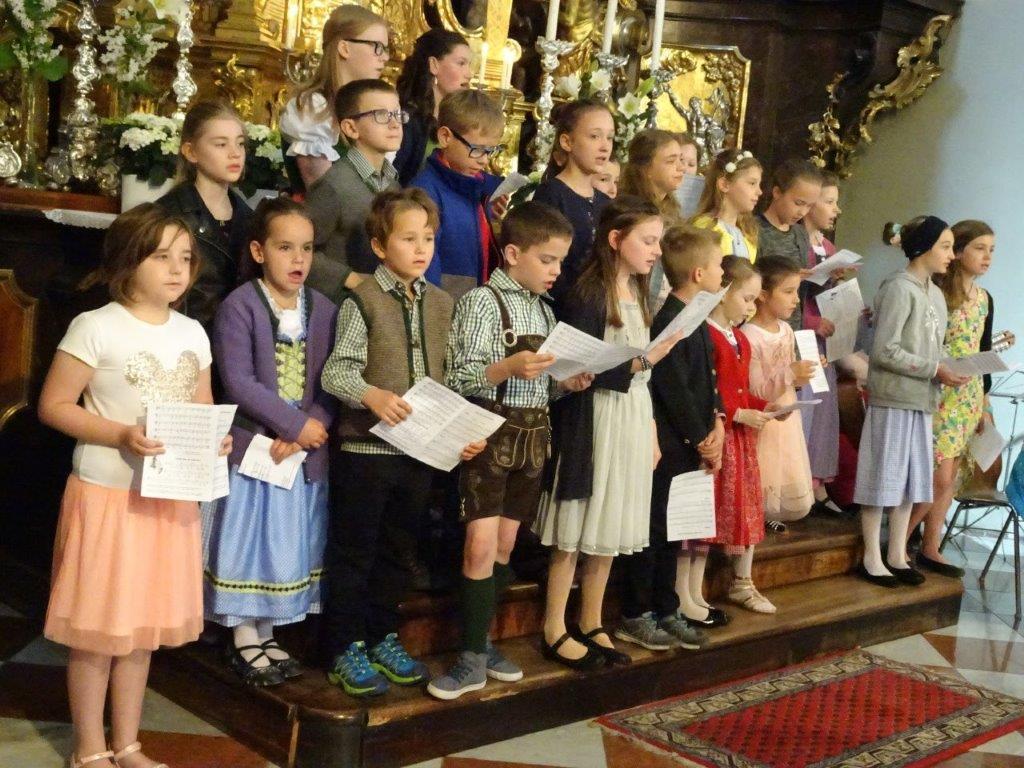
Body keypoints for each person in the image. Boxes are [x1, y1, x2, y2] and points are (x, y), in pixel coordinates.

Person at [38, 204, 231, 768]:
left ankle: (127, 744)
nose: (176, 269)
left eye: (185, 258)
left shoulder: (193, 332)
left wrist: (212, 440)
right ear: (128, 260)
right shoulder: (96, 326)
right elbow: (54, 405)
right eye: (161, 257)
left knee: (140, 630)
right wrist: (121, 434)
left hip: (165, 501)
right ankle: (88, 748)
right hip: (107, 497)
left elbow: (201, 408)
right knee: (98, 632)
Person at [319, 188, 483, 697]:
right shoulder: (363, 300)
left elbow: (450, 378)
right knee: (355, 553)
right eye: (408, 239)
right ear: (378, 245)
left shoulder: (442, 304)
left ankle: (382, 636)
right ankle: (344, 646)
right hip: (366, 453)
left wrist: (459, 434)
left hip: (419, 452)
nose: (421, 248)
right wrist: (370, 394)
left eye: (427, 238)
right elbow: (336, 371)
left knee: (398, 551)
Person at [429, 201, 593, 699]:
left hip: (534, 436)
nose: (555, 270)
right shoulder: (482, 302)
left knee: (504, 548)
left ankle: (482, 643)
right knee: (479, 547)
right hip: (490, 436)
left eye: (560, 261)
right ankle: (469, 658)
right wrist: (507, 367)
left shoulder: (544, 309)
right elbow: (458, 377)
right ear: (513, 253)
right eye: (547, 259)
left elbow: (540, 386)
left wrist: (567, 384)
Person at [534, 196, 696, 666]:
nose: (656, 251)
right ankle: (554, 625)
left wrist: (651, 430)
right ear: (615, 239)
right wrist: (647, 359)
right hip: (594, 416)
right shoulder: (589, 293)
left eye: (658, 241)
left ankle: (591, 621)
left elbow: (640, 375)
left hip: (631, 414)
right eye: (648, 241)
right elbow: (579, 369)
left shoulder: (639, 292)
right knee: (577, 524)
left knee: (610, 521)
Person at [204, 197, 337, 687]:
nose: (298, 259)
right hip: (255, 451)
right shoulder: (240, 305)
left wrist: (310, 428)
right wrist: (291, 424)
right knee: (252, 542)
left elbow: (331, 380)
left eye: (307, 248)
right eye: (285, 248)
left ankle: (268, 631)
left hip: (301, 455)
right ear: (259, 251)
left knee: (286, 543)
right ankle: (244, 633)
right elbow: (238, 381)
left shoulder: (324, 309)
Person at [854, 216, 969, 587]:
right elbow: (884, 350)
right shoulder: (898, 288)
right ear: (922, 248)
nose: (951, 255)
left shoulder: (934, 293)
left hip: (922, 400)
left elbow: (932, 347)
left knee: (908, 480)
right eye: (945, 247)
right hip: (893, 398)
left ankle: (896, 553)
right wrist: (934, 369)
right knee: (881, 476)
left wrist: (952, 367)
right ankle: (871, 556)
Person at [624, 225, 729, 631]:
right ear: (698, 273)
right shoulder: (670, 319)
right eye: (719, 266)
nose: (723, 273)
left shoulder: (696, 316)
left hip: (691, 439)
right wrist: (700, 436)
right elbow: (673, 386)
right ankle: (639, 610)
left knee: (674, 529)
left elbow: (708, 379)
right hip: (670, 442)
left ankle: (667, 606)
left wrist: (717, 421)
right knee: (654, 528)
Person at [910, 219, 1013, 577]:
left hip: (968, 395)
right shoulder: (938, 290)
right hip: (940, 390)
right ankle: (898, 542)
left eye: (991, 250)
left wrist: (984, 404)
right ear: (958, 251)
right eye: (979, 249)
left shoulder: (985, 298)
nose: (987, 257)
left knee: (950, 477)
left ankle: (931, 545)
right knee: (936, 476)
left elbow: (982, 350)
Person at [705, 256, 779, 613]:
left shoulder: (739, 339)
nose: (752, 307)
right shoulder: (707, 334)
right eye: (747, 298)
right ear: (723, 293)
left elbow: (740, 390)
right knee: (716, 511)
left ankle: (743, 580)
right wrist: (737, 413)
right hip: (722, 435)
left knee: (747, 507)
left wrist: (765, 407)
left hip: (741, 439)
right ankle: (702, 588)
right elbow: (713, 392)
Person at [304, 79, 403, 303]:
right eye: (381, 115)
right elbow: (301, 248)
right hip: (340, 303)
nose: (395, 124)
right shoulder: (333, 185)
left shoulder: (393, 184)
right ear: (351, 128)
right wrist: (349, 278)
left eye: (397, 114)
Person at [157, 100, 253, 331]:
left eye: (240, 144)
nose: (235, 154)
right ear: (191, 152)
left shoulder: (250, 217)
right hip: (184, 335)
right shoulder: (168, 214)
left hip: (236, 338)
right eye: (221, 144)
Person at [279, 4, 389, 194]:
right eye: (377, 47)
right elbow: (326, 195)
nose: (385, 57)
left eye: (386, 49)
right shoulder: (313, 108)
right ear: (345, 48)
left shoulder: (366, 109)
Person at [410, 89, 505, 300]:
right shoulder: (424, 192)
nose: (484, 160)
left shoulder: (477, 186)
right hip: (446, 303)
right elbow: (423, 264)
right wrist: (437, 309)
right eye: (477, 149)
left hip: (475, 302)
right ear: (445, 137)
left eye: (491, 150)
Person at [745, 256, 816, 526]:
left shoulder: (786, 329)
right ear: (763, 295)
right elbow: (756, 390)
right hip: (765, 419)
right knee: (764, 474)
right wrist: (790, 373)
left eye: (796, 291)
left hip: (787, 416)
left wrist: (805, 372)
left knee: (786, 470)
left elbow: (791, 378)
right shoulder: (750, 334)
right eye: (788, 292)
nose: (796, 299)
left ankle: (770, 518)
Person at [532, 99, 615, 306]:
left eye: (610, 137)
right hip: (559, 308)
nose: (605, 146)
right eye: (594, 136)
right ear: (567, 142)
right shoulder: (552, 194)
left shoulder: (606, 203)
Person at [799, 172, 847, 515]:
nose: (835, 209)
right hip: (801, 335)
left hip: (820, 342)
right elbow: (791, 296)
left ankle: (816, 485)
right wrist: (812, 321)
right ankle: (797, 485)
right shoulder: (797, 241)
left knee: (822, 412)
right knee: (804, 409)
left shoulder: (827, 248)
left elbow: (824, 297)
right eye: (829, 202)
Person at [618, 129, 687, 310]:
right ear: (646, 169)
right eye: (671, 161)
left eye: (680, 160)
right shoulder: (629, 211)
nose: (681, 168)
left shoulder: (674, 211)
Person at [394, 28, 472, 185]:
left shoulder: (455, 120)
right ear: (434, 65)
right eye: (461, 63)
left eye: (469, 65)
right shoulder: (408, 119)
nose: (469, 74)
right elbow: (394, 176)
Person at [757, 159, 823, 330]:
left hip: (793, 326)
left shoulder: (800, 233)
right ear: (777, 192)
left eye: (809, 206)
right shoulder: (755, 230)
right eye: (798, 203)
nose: (803, 212)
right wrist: (787, 277)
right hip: (763, 327)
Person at [691, 148, 762, 262]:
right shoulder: (705, 228)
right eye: (752, 183)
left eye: (759, 185)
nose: (759, 192)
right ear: (724, 184)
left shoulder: (748, 234)